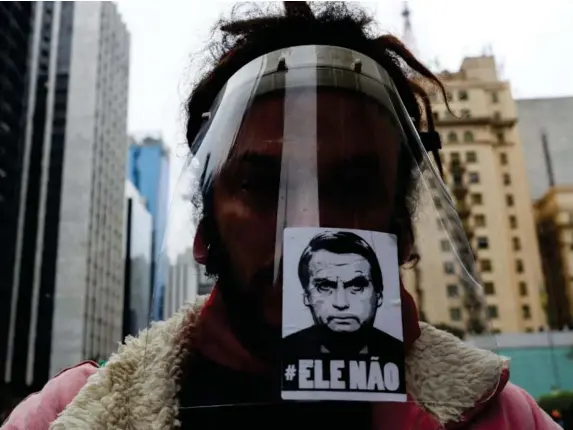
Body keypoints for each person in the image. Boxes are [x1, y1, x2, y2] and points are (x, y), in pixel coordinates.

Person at [2, 2, 563, 429]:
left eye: (352, 185)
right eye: (261, 185)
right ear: (205, 230)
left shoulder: (503, 416)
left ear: (401, 228)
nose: (307, 224)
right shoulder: (67, 415)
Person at [283, 231, 403, 360]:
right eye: (325, 287)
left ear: (378, 295)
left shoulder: (402, 353)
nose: (341, 303)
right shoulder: (283, 353)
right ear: (307, 296)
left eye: (357, 286)